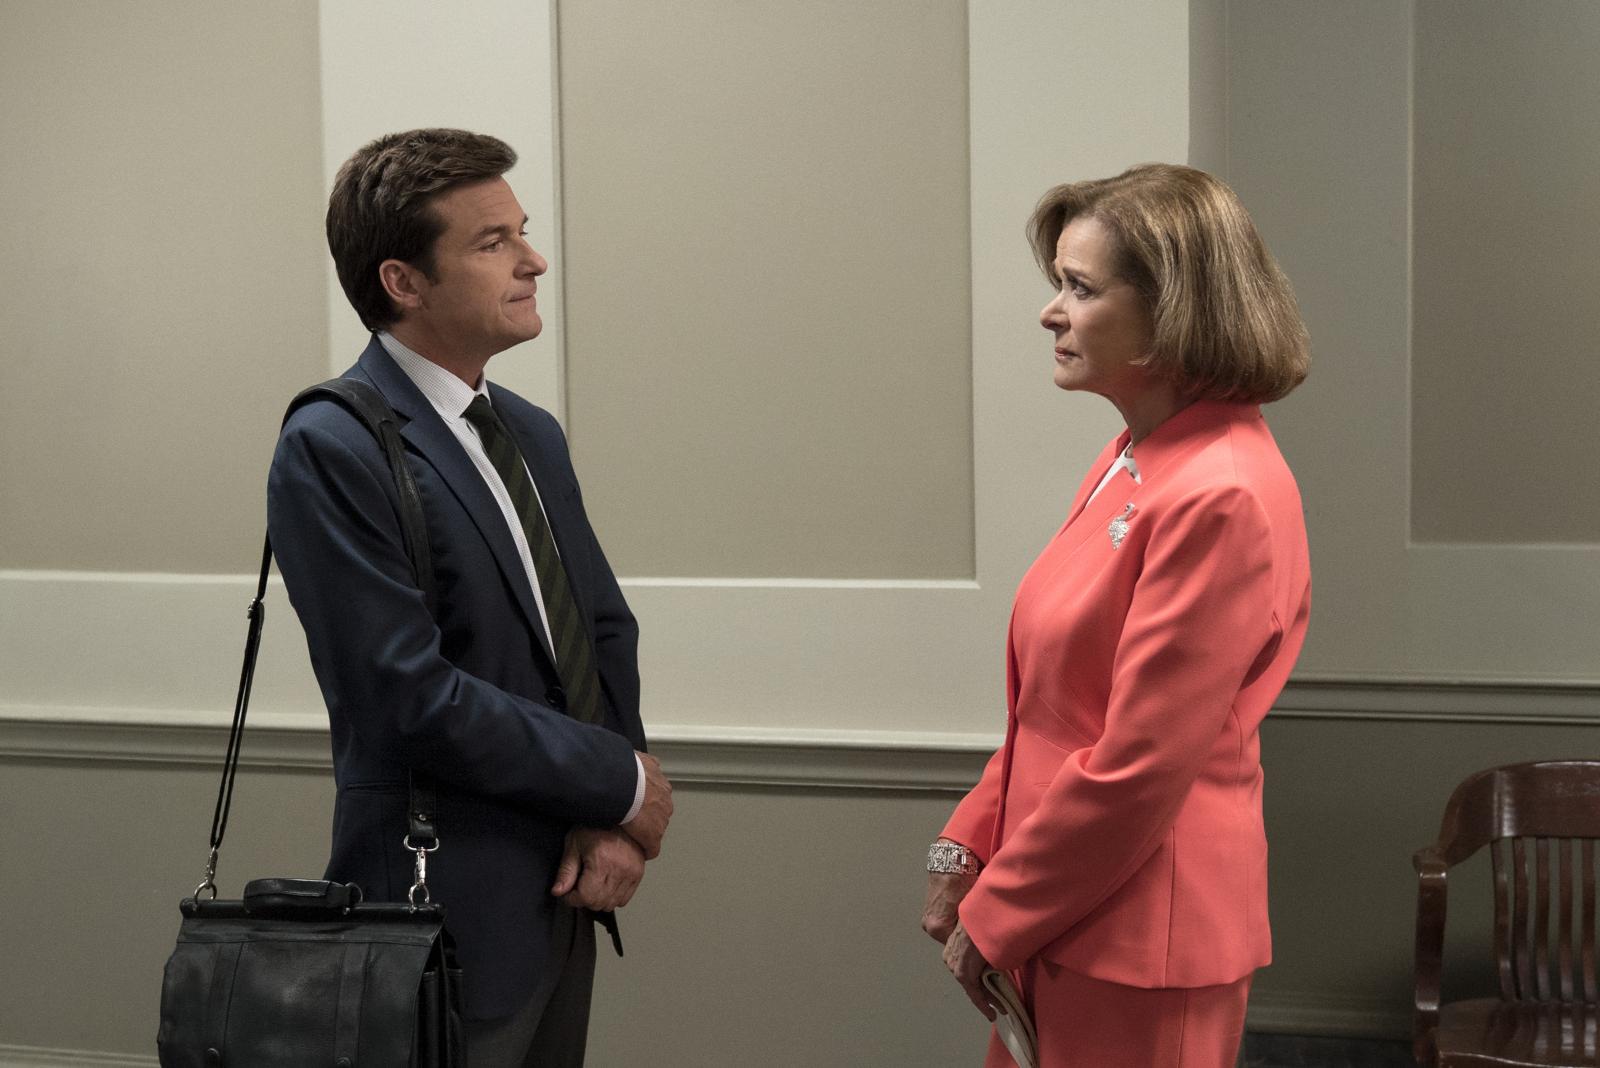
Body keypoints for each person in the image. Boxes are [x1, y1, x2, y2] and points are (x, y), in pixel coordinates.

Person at [268, 128, 673, 1067]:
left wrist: (611, 816)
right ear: (403, 282)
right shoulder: (332, 444)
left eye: (522, 232)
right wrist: (615, 780)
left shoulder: (528, 430)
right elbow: (406, 696)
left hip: (567, 889)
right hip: (437, 915)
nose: (534, 261)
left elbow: (599, 633)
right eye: (494, 242)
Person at [922, 163, 1312, 1067]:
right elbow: (1053, 709)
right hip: (1067, 907)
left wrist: (1000, 912)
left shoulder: (1223, 492)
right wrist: (966, 843)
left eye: (1080, 288)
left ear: (1174, 311)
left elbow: (1139, 763)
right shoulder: (1134, 456)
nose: (1050, 312)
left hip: (1140, 938)